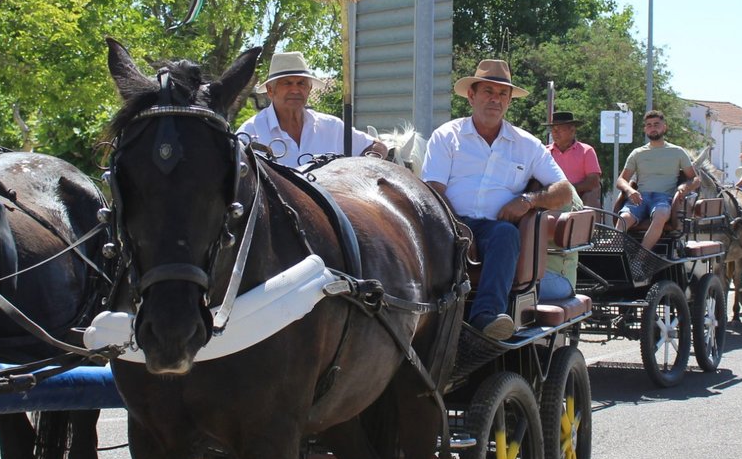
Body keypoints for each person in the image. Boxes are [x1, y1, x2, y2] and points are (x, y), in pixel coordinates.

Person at [423, 60, 576, 340]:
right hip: (449, 222)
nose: (495, 99)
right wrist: (457, 228)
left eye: (502, 94)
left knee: (506, 234)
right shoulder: (447, 136)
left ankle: (487, 318)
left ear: (508, 101)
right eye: (488, 91)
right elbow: (433, 190)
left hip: (494, 230)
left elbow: (564, 191)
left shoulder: (527, 144)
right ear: (472, 96)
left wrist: (529, 201)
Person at [239, 51, 387, 164]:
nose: (295, 90)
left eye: (301, 83)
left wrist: (362, 168)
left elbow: (378, 147)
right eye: (287, 83)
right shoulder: (250, 133)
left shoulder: (331, 127)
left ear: (309, 89)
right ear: (271, 91)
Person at [616, 110, 698, 254]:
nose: (652, 128)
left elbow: (695, 179)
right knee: (623, 218)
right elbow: (621, 180)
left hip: (663, 198)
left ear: (664, 127)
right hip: (640, 198)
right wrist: (629, 190)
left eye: (656, 124)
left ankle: (641, 260)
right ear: (645, 129)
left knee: (660, 215)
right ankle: (615, 257)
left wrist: (684, 187)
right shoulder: (637, 153)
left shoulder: (677, 151)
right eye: (649, 125)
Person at [547, 110, 602, 208]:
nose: (555, 133)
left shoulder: (586, 151)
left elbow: (593, 181)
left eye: (559, 129)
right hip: (549, 198)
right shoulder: (545, 152)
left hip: (579, 198)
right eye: (553, 129)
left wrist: (569, 190)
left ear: (572, 130)